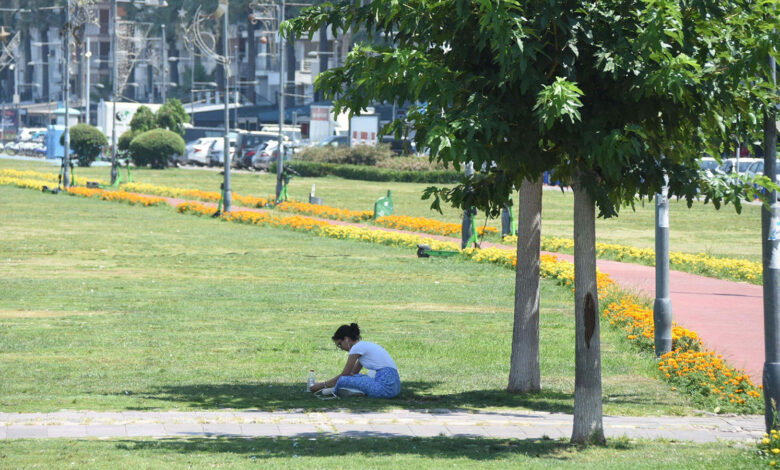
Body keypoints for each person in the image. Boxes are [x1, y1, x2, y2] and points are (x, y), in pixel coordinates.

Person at [309, 323, 401, 398]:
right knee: (356, 377)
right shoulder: (363, 346)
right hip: (395, 387)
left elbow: (345, 374)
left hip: (385, 388)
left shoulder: (356, 348)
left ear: (346, 339)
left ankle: (335, 390)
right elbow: (353, 373)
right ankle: (349, 390)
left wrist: (322, 385)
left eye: (340, 344)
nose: (341, 348)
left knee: (342, 380)